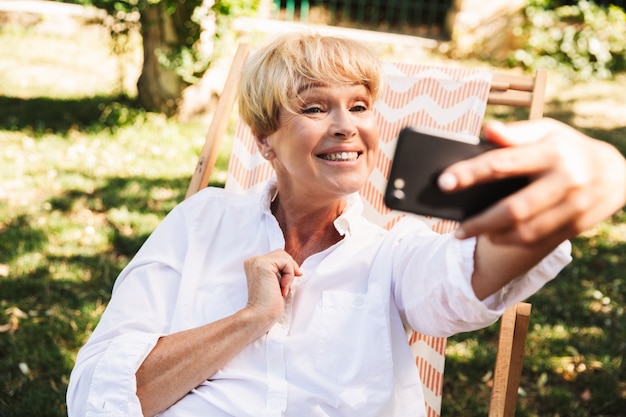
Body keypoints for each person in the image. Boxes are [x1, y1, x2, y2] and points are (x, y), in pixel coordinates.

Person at [66, 33, 626, 417]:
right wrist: (252, 318)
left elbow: (463, 281)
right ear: (264, 139)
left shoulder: (393, 253)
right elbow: (102, 395)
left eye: (359, 106)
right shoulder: (202, 221)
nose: (346, 127)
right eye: (314, 109)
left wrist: (570, 197)